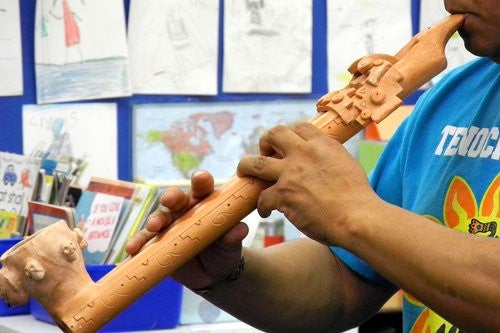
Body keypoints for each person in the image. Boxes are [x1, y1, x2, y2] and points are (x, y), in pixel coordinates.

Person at [126, 1, 499, 332]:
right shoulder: (453, 97)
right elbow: (348, 279)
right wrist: (227, 274)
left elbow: (362, 225)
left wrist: (352, 214)